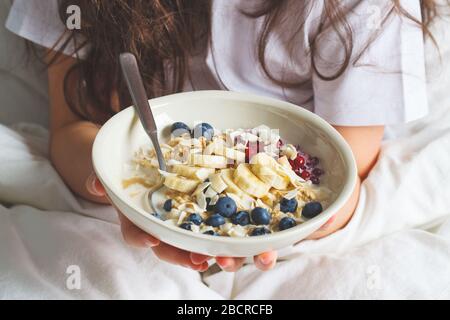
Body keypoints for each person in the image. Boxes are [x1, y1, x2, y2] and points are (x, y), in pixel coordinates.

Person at [6, 0, 433, 273]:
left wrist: (283, 228)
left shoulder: (366, 8)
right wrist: (119, 190)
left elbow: (344, 172)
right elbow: (72, 128)